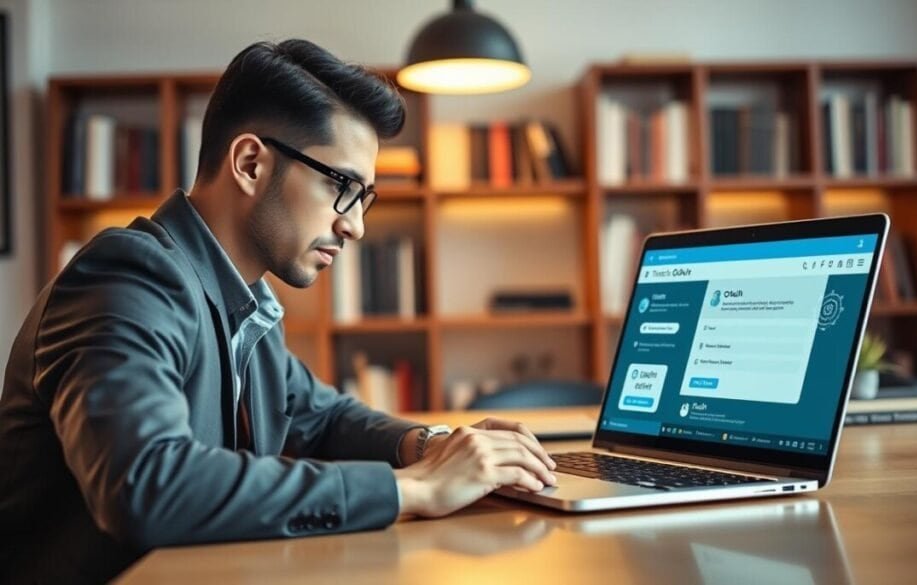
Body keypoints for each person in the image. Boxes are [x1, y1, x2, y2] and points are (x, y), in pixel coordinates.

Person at [0, 39, 557, 584]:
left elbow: (326, 418)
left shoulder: (247, 305)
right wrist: (414, 489)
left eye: (365, 198)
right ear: (249, 163)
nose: (355, 225)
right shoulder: (129, 275)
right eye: (342, 186)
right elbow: (147, 484)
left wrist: (434, 445)